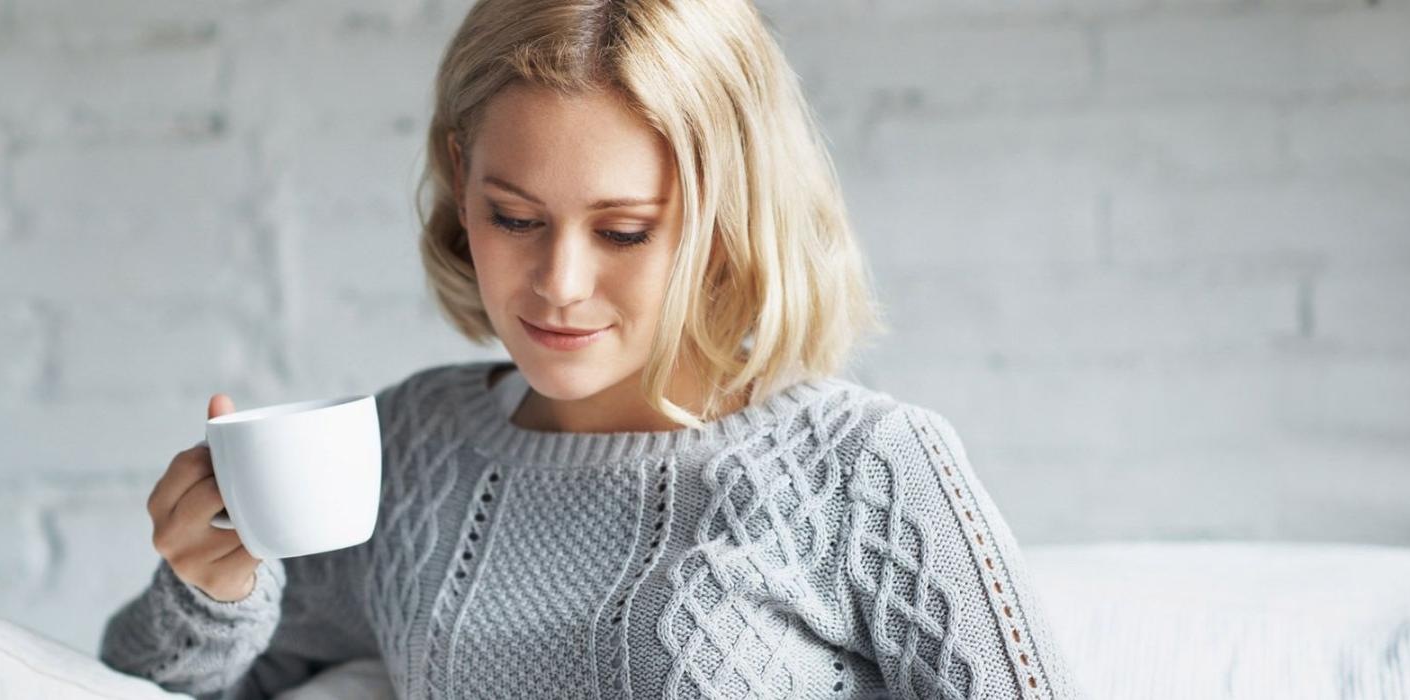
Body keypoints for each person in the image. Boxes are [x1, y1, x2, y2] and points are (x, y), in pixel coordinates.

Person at [99, 0, 1082, 697]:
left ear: (730, 218)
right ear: (459, 179)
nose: (560, 283)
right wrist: (211, 582)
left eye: (624, 231)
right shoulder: (408, 454)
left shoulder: (863, 469)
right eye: (514, 216)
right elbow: (153, 683)